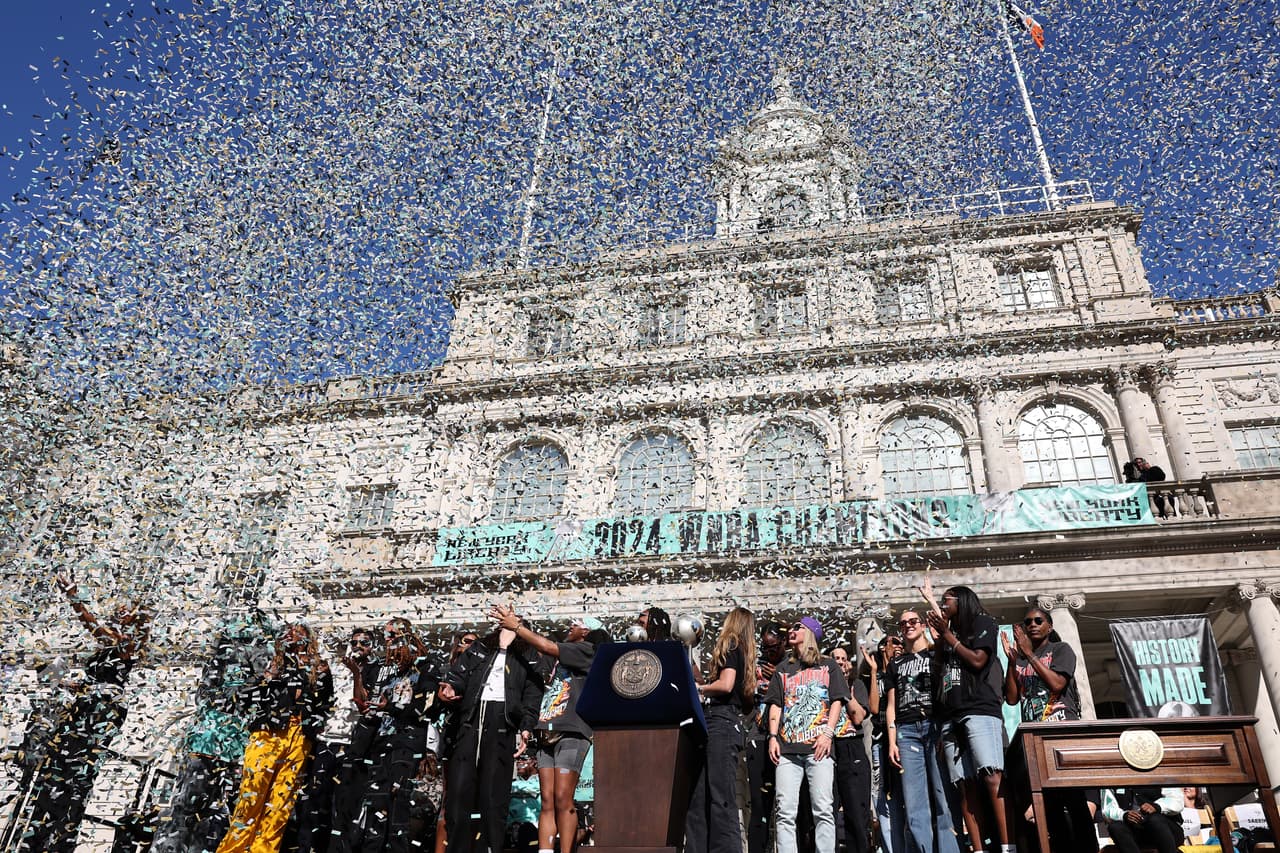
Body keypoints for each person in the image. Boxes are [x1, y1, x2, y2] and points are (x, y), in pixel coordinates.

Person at [20, 574, 152, 853]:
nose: (119, 612)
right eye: (119, 609)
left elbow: (95, 628)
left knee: (75, 773)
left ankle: (58, 837)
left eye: (126, 611)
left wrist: (74, 598)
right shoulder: (111, 645)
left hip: (101, 712)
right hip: (87, 707)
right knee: (59, 770)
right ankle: (38, 833)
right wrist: (66, 682)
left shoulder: (127, 644)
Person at [489, 605, 606, 853]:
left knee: (563, 797)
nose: (570, 626)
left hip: (572, 731)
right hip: (546, 729)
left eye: (576, 624)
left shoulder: (587, 651)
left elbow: (546, 646)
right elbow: (538, 651)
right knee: (547, 800)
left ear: (587, 631)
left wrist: (517, 627)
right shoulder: (559, 660)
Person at [152, 616, 272, 853]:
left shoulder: (251, 666)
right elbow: (208, 696)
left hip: (232, 745)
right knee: (189, 804)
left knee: (213, 811)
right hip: (209, 741)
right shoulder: (225, 663)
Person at [217, 622, 333, 853]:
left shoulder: (319, 667)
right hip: (268, 732)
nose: (292, 637)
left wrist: (314, 723)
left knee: (281, 800)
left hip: (299, 735)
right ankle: (233, 849)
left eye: (297, 633)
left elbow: (325, 703)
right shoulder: (272, 663)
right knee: (253, 793)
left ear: (307, 639)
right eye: (288, 634)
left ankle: (264, 849)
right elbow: (246, 697)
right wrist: (268, 678)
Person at [438, 623, 543, 853]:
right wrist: (452, 688)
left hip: (502, 724)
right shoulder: (481, 647)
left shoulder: (529, 654)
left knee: (493, 795)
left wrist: (526, 727)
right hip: (471, 720)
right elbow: (458, 674)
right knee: (459, 792)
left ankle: (489, 848)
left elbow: (533, 694)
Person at [338, 619, 440, 853]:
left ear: (406, 637)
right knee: (376, 805)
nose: (387, 640)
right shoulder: (389, 672)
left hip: (407, 744)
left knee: (398, 806)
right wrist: (357, 674)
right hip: (381, 743)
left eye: (392, 635)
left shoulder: (426, 667)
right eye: (385, 636)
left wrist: (391, 708)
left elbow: (425, 708)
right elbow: (369, 704)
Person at [927, 586, 1013, 853]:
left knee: (991, 775)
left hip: (979, 709)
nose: (942, 605)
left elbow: (978, 660)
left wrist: (947, 635)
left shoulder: (983, 622)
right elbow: (940, 674)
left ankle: (1008, 846)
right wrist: (940, 639)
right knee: (965, 785)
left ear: (962, 600)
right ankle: (978, 849)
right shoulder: (949, 632)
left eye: (946, 600)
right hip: (951, 716)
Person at [1001, 608, 1095, 852]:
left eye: (1038, 620)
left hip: (1061, 733)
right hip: (1035, 739)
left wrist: (1029, 655)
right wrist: (1012, 662)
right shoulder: (1021, 659)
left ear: (1049, 626)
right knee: (1049, 804)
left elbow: (1057, 683)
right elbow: (1011, 698)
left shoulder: (1061, 649)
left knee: (1073, 799)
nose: (1032, 624)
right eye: (1028, 622)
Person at [765, 616, 849, 853]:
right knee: (784, 812)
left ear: (811, 632)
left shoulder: (828, 665)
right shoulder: (783, 669)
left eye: (797, 627)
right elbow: (776, 705)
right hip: (787, 751)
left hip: (819, 748)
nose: (791, 630)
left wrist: (827, 734)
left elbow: (837, 701)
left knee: (823, 809)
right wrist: (773, 737)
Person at [295, 627, 382, 853]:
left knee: (343, 805)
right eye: (354, 642)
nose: (358, 646)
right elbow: (318, 695)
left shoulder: (376, 670)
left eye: (364, 642)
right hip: (326, 741)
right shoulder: (336, 667)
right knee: (315, 801)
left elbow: (364, 703)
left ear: (373, 647)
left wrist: (357, 674)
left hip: (352, 745)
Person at [886, 609, 960, 853]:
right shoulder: (895, 664)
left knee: (942, 794)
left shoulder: (934, 654)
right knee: (914, 801)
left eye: (913, 621)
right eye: (903, 623)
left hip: (933, 725)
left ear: (922, 625)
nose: (908, 625)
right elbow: (891, 705)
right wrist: (892, 741)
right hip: (906, 731)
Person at [686, 607, 757, 853]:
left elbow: (726, 685)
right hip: (722, 722)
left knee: (719, 796)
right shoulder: (744, 652)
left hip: (722, 722)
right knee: (700, 797)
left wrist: (700, 689)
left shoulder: (731, 643)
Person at [434, 631, 479, 853]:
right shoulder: (448, 672)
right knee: (449, 800)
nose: (472, 646)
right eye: (467, 641)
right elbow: (433, 709)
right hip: (453, 737)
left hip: (477, 738)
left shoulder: (483, 670)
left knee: (474, 801)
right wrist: (442, 697)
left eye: (476, 643)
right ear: (458, 646)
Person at [861, 636, 905, 853]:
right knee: (882, 795)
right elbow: (874, 708)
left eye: (900, 642)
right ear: (883, 647)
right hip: (880, 740)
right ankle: (890, 848)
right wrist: (874, 672)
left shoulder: (906, 667)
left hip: (904, 739)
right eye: (893, 642)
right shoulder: (877, 674)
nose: (898, 645)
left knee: (905, 793)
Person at [745, 621, 786, 853]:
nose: (769, 653)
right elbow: (745, 702)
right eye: (765, 648)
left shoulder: (792, 666)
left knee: (788, 807)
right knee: (759, 806)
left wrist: (777, 678)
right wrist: (751, 687)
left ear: (783, 643)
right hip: (759, 737)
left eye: (773, 648)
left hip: (788, 739)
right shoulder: (757, 667)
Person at [828, 644, 871, 853]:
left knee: (856, 811)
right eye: (835, 658)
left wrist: (844, 687)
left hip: (851, 747)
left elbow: (858, 717)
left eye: (843, 659)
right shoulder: (821, 686)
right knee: (827, 812)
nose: (839, 662)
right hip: (828, 749)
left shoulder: (856, 685)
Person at [1098, 788, 1184, 853]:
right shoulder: (1112, 776)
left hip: (1166, 831)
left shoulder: (1161, 773)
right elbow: (1107, 809)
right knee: (1115, 827)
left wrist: (1157, 806)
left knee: (1154, 819)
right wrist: (1124, 815)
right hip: (1136, 833)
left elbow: (1177, 800)